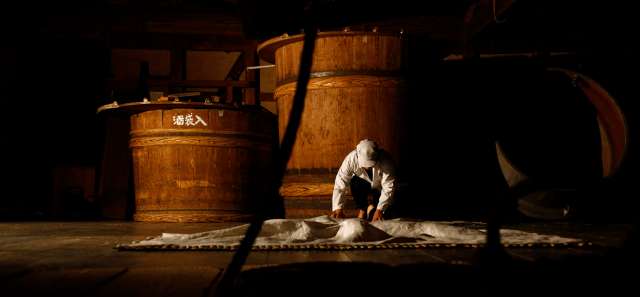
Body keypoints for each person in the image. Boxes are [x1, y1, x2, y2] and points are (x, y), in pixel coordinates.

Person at [330, 139, 396, 221]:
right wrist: (338, 208)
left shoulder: (386, 161)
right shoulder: (350, 159)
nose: (367, 167)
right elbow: (340, 183)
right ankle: (363, 209)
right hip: (362, 185)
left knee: (384, 216)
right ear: (357, 155)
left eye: (370, 163)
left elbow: (388, 186)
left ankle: (372, 208)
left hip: (380, 188)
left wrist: (379, 210)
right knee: (355, 182)